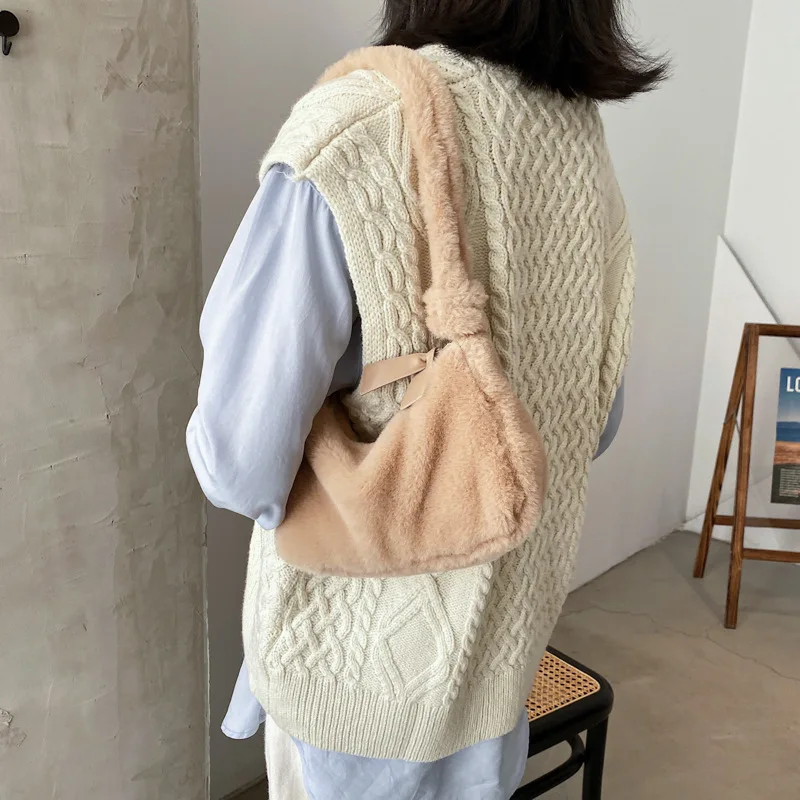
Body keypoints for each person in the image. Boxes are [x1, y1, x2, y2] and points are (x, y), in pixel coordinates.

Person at [187, 1, 665, 797]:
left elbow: (240, 466)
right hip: (502, 664)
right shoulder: (581, 144)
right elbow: (595, 423)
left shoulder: (358, 127)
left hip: (356, 684)